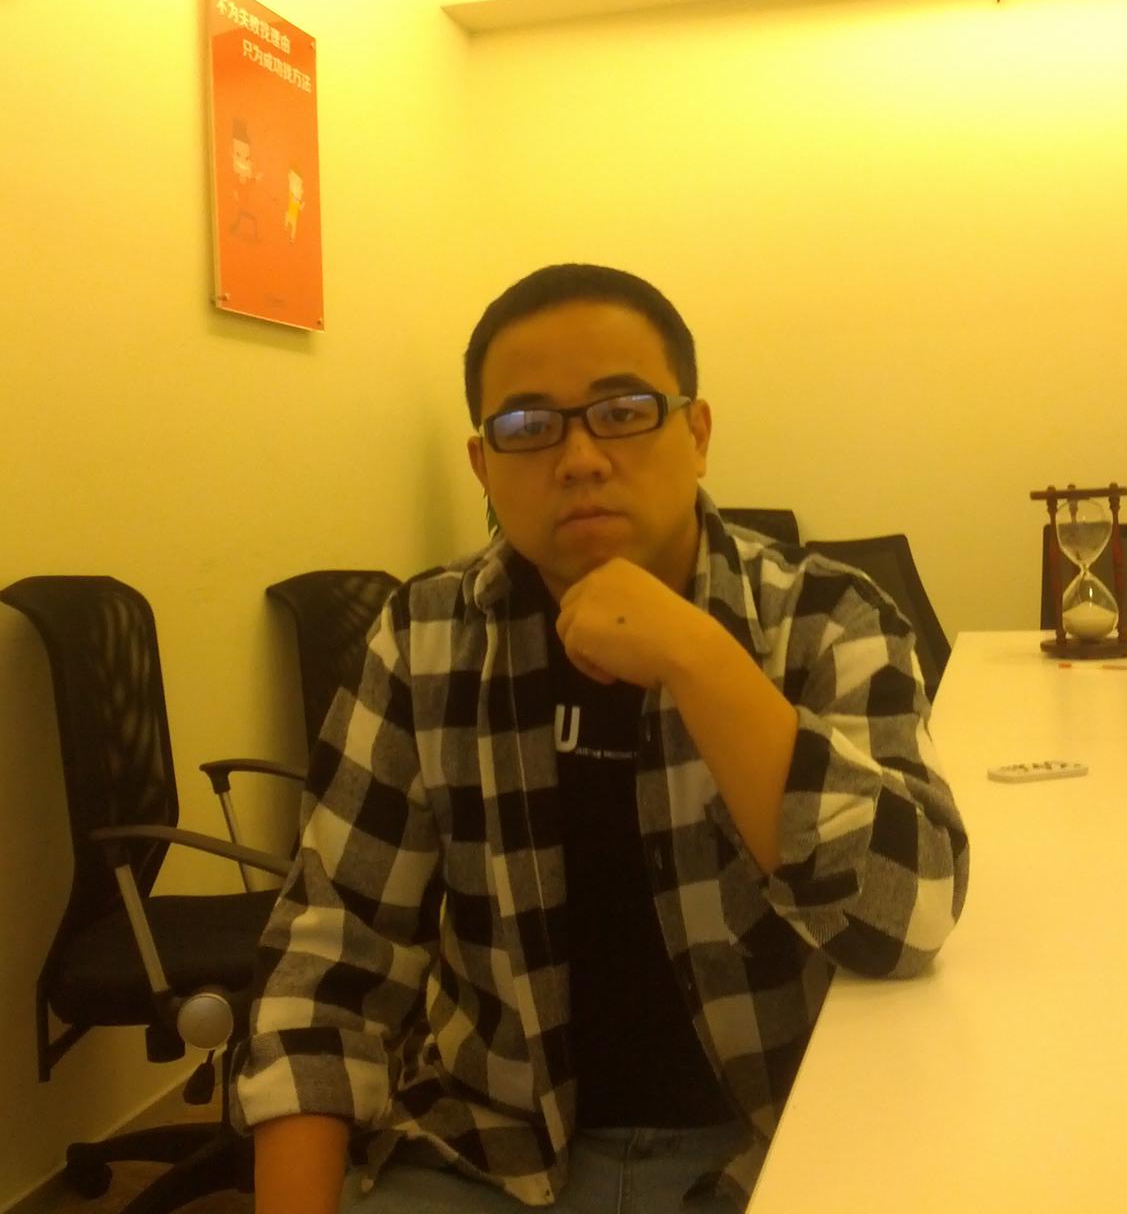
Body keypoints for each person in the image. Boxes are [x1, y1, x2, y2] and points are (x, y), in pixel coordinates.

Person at [234, 263, 969, 1213]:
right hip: (489, 1148)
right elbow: (332, 961)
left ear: (697, 433)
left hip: (767, 1144)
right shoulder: (424, 639)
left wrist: (702, 660)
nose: (579, 457)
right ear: (483, 466)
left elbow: (910, 916)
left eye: (623, 411)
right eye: (528, 426)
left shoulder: (827, 620)